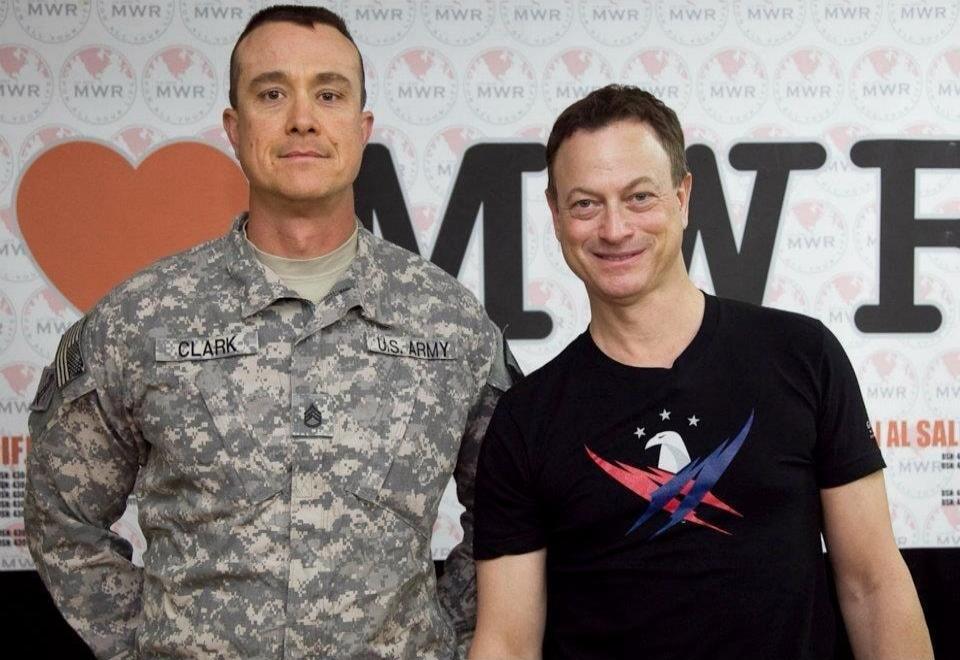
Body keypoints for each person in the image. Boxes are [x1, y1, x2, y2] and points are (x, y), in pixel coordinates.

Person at [25, 5, 517, 658]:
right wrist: (150, 644)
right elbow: (61, 519)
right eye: (272, 92)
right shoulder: (140, 319)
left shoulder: (450, 322)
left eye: (330, 93)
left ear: (362, 125)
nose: (303, 118)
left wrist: (441, 636)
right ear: (234, 126)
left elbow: (516, 509)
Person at [469, 85, 932, 660]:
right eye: (586, 203)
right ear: (557, 216)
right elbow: (507, 643)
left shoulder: (802, 356)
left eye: (639, 197)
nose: (614, 229)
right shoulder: (527, 418)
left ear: (683, 197)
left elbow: (873, 584)